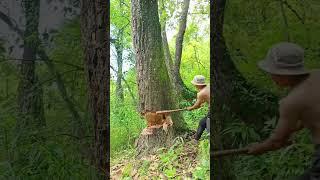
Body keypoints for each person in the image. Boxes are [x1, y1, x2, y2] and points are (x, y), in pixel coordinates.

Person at [246, 42, 320, 179]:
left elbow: (276, 142)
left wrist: (259, 148)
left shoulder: (291, 101)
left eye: (272, 73)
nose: (271, 77)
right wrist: (291, 128)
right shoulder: (317, 74)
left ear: (283, 74)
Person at [187, 75, 210, 140]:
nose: (195, 85)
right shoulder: (209, 86)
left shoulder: (201, 93)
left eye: (195, 84)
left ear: (199, 85)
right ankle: (196, 139)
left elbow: (196, 106)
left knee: (208, 126)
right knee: (202, 122)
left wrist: (190, 108)